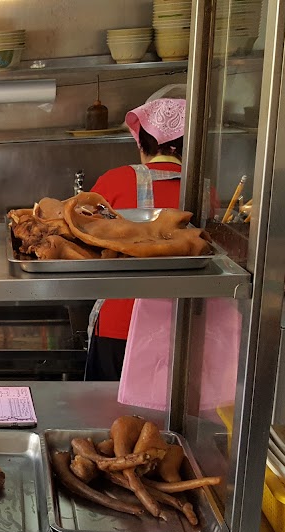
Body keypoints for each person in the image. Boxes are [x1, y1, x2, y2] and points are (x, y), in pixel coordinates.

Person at [84, 98, 187, 382]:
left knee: (109, 413)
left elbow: (82, 232)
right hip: (183, 325)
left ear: (143, 143)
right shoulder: (204, 188)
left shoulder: (115, 180)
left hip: (120, 324)